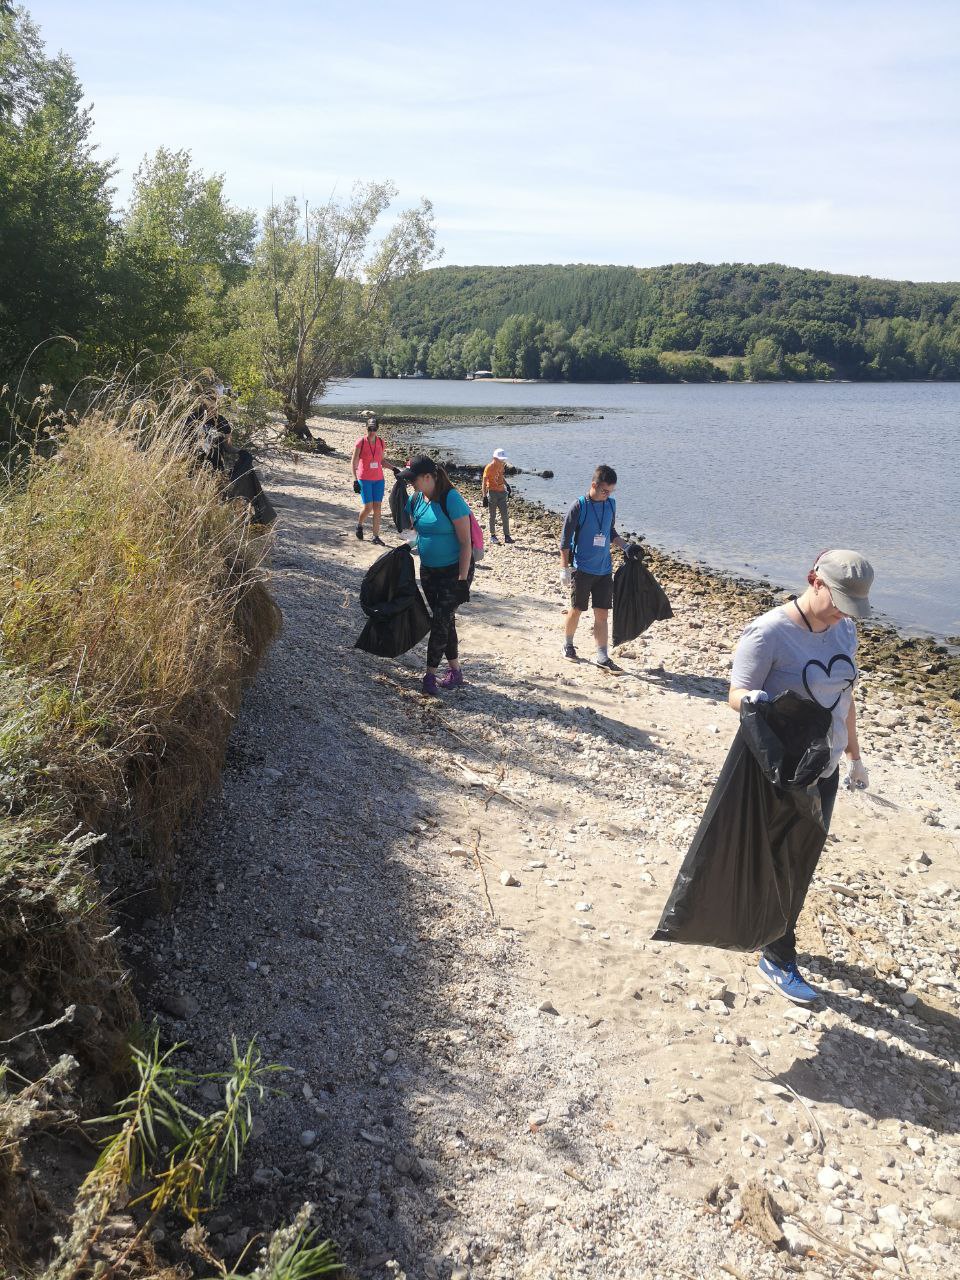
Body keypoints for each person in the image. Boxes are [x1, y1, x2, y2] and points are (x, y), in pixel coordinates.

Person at [728, 549, 874, 1005]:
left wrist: (853, 754)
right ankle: (777, 955)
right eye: (837, 601)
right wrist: (760, 701)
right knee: (783, 860)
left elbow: (845, 694)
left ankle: (768, 934)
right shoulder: (769, 632)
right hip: (782, 769)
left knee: (801, 858)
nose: (841, 615)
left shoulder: (844, 629)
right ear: (814, 579)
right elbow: (734, 695)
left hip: (824, 767)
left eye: (851, 608)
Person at [399, 455, 473, 696]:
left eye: (413, 480)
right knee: (445, 619)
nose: (412, 484)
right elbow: (406, 526)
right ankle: (455, 672)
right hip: (429, 570)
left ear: (429, 477)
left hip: (454, 571)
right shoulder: (417, 498)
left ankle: (429, 675)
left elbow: (466, 543)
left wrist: (462, 580)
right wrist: (398, 493)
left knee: (440, 620)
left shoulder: (451, 499)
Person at [559, 464, 633, 668]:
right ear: (594, 485)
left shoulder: (610, 505)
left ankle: (602, 655)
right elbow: (565, 541)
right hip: (582, 569)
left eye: (611, 491)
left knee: (602, 614)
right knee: (577, 609)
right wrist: (564, 569)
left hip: (604, 570)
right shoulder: (579, 506)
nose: (607, 495)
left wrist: (626, 547)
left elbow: (611, 532)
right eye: (604, 491)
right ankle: (568, 644)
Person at [194, 403, 276, 525]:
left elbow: (228, 446)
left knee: (216, 495)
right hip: (196, 464)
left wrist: (241, 452)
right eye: (208, 404)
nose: (212, 408)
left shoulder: (222, 421)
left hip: (215, 465)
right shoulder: (193, 418)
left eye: (214, 404)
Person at [351, 416, 403, 545]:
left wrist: (394, 468)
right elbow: (353, 462)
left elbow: (381, 461)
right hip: (364, 479)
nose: (372, 431)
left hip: (379, 480)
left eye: (374, 429)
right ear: (366, 428)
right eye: (370, 428)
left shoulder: (381, 442)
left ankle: (375, 536)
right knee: (368, 508)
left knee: (378, 507)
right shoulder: (361, 442)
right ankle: (359, 525)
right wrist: (355, 480)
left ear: (377, 429)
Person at [482, 447, 514, 544]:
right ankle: (493, 536)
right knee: (493, 515)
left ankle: (507, 536)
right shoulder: (488, 468)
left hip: (502, 493)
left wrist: (507, 485)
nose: (503, 460)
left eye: (503, 459)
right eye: (501, 459)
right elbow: (483, 482)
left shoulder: (501, 465)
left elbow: (501, 476)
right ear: (495, 458)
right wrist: (484, 497)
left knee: (505, 515)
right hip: (492, 493)